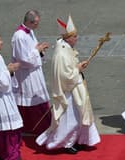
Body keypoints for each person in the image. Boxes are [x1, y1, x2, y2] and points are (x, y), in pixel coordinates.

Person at [35, 15, 100, 154]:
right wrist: (78, 69)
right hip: (68, 92)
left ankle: (79, 140)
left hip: (75, 88)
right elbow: (64, 76)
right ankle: (66, 143)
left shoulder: (66, 47)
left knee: (79, 116)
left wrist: (78, 66)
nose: (77, 39)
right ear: (68, 37)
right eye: (75, 36)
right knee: (71, 119)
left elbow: (69, 68)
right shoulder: (61, 53)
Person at [11, 10, 51, 135]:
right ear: (28, 21)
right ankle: (36, 127)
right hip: (26, 74)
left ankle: (38, 126)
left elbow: (33, 49)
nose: (37, 26)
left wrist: (40, 50)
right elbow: (24, 59)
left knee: (37, 99)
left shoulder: (30, 32)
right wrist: (37, 50)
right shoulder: (19, 36)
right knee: (31, 100)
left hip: (34, 71)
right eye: (35, 23)